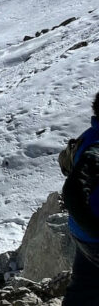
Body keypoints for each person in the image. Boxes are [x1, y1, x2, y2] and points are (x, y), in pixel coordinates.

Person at [60, 91, 99, 305]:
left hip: (82, 232)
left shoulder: (89, 134)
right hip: (94, 234)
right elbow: (73, 191)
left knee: (83, 291)